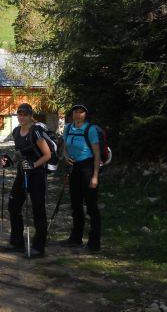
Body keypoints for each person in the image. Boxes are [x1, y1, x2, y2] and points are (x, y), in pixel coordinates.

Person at [0, 103, 51, 258]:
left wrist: (34, 165)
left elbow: (47, 155)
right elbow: (18, 153)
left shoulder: (35, 132)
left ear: (30, 116)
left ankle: (39, 248)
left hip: (37, 175)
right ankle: (17, 243)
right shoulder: (16, 132)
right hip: (22, 174)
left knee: (38, 210)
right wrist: (10, 161)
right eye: (19, 114)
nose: (21, 117)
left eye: (24, 114)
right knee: (13, 205)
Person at [59, 104, 101, 252]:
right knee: (75, 204)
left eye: (81, 112)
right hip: (74, 168)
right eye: (75, 112)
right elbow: (64, 147)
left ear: (85, 114)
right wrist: (66, 157)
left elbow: (97, 154)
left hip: (88, 167)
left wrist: (95, 176)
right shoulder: (68, 128)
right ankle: (76, 238)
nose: (78, 114)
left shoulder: (91, 130)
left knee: (91, 207)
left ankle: (94, 243)